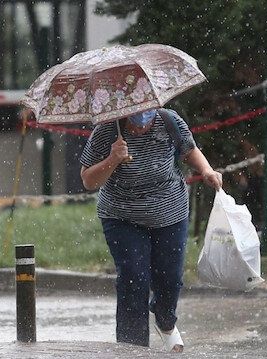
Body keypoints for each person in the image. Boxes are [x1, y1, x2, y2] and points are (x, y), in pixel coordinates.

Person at [80, 108, 222, 352]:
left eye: (148, 111)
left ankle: (166, 320)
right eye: (136, 113)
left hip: (170, 213)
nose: (142, 118)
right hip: (122, 216)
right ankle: (132, 348)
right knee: (134, 278)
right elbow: (88, 180)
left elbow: (189, 150)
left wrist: (206, 170)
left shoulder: (169, 120)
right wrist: (113, 158)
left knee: (170, 279)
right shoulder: (107, 130)